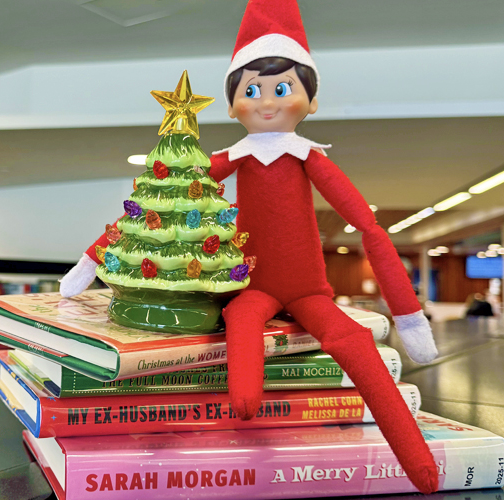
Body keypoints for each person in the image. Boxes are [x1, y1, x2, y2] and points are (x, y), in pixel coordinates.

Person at [59, 0, 439, 493]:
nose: (266, 102)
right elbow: (153, 205)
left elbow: (368, 228)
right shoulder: (228, 158)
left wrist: (408, 318)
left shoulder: (309, 158)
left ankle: (420, 466)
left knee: (352, 343)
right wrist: (91, 260)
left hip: (311, 292)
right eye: (251, 90)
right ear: (233, 102)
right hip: (251, 286)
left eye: (282, 89)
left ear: (312, 100)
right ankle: (244, 412)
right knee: (240, 319)